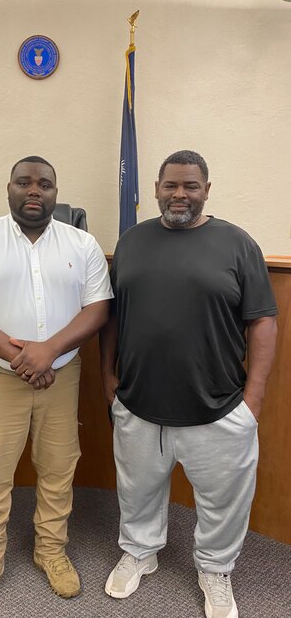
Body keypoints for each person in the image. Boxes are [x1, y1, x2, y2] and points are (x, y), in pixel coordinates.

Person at [100, 150, 277, 618]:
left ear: (206, 190)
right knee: (136, 491)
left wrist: (253, 400)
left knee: (223, 502)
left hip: (218, 406)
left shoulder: (238, 245)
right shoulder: (132, 242)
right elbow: (112, 317)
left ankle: (215, 570)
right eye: (171, 185)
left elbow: (262, 323)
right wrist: (109, 378)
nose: (180, 194)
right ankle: (140, 552)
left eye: (191, 186)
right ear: (156, 188)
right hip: (138, 402)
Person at [0, 156, 113, 615]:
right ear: (9, 187)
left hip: (62, 375)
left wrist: (49, 349)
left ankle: (50, 551)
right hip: (0, 376)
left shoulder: (83, 242)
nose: (34, 191)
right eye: (24, 182)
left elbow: (97, 309)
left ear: (56, 193)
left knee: (59, 469)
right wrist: (23, 355)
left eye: (45, 184)